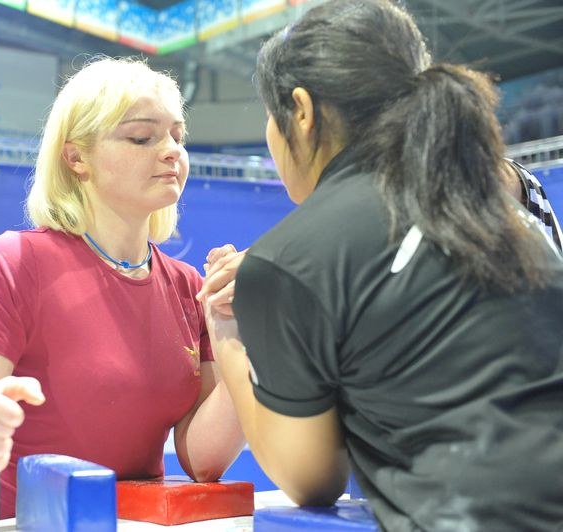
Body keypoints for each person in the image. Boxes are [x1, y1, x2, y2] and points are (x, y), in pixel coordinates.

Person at [198, 1, 563, 530]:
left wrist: (230, 343)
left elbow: (310, 478)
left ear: (301, 111)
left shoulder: (291, 259)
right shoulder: (504, 211)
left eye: (270, 118)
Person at [0, 57, 245, 524]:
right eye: (142, 137)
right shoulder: (14, 263)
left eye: (178, 136)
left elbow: (204, 461)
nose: (172, 151)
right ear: (75, 158)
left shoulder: (187, 285)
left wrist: (242, 340)